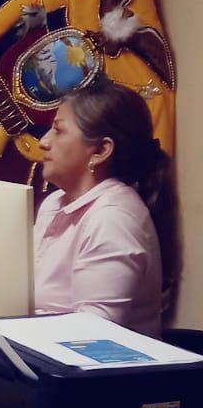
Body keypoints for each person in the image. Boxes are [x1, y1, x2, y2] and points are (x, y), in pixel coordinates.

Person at [34, 77, 176, 338]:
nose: (43, 141)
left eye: (59, 130)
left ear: (100, 150)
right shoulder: (55, 203)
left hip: (81, 362)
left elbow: (92, 338)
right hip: (35, 351)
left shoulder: (114, 219)